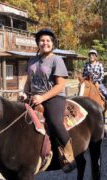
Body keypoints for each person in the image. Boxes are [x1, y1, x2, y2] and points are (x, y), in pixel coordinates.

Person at [20, 29, 76, 173]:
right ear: (38, 43)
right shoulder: (32, 60)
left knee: (55, 123)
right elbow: (28, 80)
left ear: (52, 44)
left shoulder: (56, 60)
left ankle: (69, 156)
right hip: (34, 97)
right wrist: (24, 93)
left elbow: (60, 85)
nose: (45, 43)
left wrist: (42, 97)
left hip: (53, 97)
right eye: (42, 40)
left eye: (48, 41)